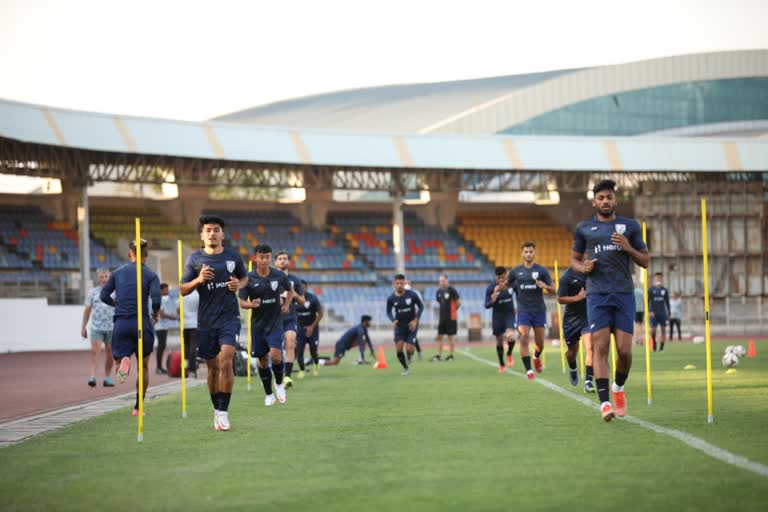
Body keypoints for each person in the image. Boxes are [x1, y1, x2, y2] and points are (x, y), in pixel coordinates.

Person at [572, 179, 649, 422]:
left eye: (609, 197)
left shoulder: (630, 226)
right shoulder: (584, 228)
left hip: (624, 294)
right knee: (600, 347)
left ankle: (617, 388)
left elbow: (645, 261)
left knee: (625, 352)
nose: (605, 201)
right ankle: (605, 403)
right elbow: (574, 260)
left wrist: (628, 247)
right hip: (597, 295)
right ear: (594, 202)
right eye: (601, 198)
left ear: (615, 200)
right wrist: (582, 267)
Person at [180, 215, 248, 432]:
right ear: (202, 235)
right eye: (208, 229)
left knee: (227, 360)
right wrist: (198, 280)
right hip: (206, 322)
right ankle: (217, 409)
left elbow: (245, 278)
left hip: (229, 318)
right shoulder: (194, 259)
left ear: (222, 234)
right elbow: (182, 289)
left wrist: (238, 284)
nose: (212, 233)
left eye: (216, 229)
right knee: (212, 368)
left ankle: (224, 412)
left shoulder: (233, 256)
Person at [100, 240, 161, 416]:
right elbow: (156, 300)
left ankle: (122, 364)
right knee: (143, 367)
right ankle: (137, 407)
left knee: (119, 359)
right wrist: (155, 315)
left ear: (129, 254)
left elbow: (104, 295)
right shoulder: (150, 275)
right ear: (146, 255)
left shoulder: (117, 273)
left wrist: (117, 303)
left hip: (122, 322)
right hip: (142, 322)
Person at [238, 244, 294, 407]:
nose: (264, 260)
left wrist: (287, 305)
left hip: (275, 323)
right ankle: (268, 394)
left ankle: (279, 384)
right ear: (255, 258)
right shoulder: (248, 278)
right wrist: (251, 305)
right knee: (262, 361)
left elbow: (290, 291)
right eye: (261, 257)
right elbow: (241, 302)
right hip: (258, 326)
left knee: (276, 356)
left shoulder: (278, 275)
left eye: (267, 257)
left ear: (270, 258)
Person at [508, 242, 555, 380]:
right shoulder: (515, 271)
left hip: (539, 310)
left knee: (540, 342)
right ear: (522, 253)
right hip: (523, 310)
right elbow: (506, 283)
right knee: (523, 336)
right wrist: (498, 289)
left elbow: (554, 290)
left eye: (531, 251)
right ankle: (529, 370)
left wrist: (544, 285)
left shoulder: (542, 271)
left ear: (534, 253)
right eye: (526, 252)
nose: (528, 254)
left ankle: (536, 356)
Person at [557, 266, 594, 391]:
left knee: (591, 347)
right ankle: (573, 368)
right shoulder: (567, 276)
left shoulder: (592, 273)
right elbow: (560, 299)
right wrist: (578, 298)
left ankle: (589, 381)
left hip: (588, 317)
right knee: (572, 352)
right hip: (571, 321)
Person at [274, 251, 305, 388]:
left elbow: (303, 301)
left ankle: (287, 376)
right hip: (274, 318)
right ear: (275, 262)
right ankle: (278, 374)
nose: (283, 261)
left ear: (289, 262)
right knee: (275, 350)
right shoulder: (271, 278)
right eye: (280, 259)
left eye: (285, 259)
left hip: (290, 317)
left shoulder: (295, 280)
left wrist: (292, 293)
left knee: (290, 344)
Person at [81, 267, 115, 387]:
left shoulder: (115, 292)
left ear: (109, 277)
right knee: (95, 351)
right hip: (97, 327)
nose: (104, 279)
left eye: (106, 277)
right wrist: (83, 327)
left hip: (112, 328)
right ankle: (92, 377)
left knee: (110, 353)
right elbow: (87, 310)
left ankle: (107, 378)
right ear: (98, 277)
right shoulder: (93, 292)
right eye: (101, 277)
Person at [387, 274, 424, 375]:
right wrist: (393, 320)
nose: (399, 285)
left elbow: (421, 306)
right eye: (397, 283)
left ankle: (410, 356)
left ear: (404, 283)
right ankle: (406, 368)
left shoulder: (412, 294)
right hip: (399, 326)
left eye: (401, 283)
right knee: (399, 349)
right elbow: (388, 312)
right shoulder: (391, 298)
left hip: (411, 325)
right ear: (394, 284)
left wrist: (416, 320)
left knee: (409, 349)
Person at [485, 266, 516, 373]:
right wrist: (492, 301)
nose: (501, 280)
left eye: (503, 277)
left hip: (509, 314)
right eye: (499, 278)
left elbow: (520, 294)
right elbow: (486, 305)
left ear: (506, 275)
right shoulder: (491, 288)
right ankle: (502, 364)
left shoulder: (511, 285)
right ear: (495, 277)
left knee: (511, 336)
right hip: (497, 316)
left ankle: (509, 354)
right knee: (499, 341)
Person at [295, 279, 323, 377]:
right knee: (299, 351)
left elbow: (320, 313)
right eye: (299, 288)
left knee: (313, 351)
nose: (301, 289)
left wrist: (311, 327)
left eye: (303, 287)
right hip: (300, 329)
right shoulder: (294, 299)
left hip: (313, 328)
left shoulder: (313, 299)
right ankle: (302, 370)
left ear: (306, 287)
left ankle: (316, 364)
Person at [430, 274, 460, 362]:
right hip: (442, 318)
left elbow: (458, 302)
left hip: (451, 318)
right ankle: (439, 355)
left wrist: (453, 310)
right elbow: (440, 303)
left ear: (447, 281)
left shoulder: (452, 290)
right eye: (440, 281)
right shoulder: (438, 292)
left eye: (443, 280)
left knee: (451, 337)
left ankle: (451, 355)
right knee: (440, 336)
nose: (441, 282)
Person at [154, 283, 179, 375]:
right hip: (160, 326)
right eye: (166, 290)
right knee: (161, 346)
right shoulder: (159, 300)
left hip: (164, 326)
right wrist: (171, 317)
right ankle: (158, 367)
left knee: (162, 346)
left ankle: (160, 367)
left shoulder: (168, 300)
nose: (168, 291)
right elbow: (162, 314)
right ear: (161, 290)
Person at [648, 272, 670, 352]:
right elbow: (647, 301)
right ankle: (654, 343)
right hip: (653, 313)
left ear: (662, 278)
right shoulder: (651, 290)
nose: (658, 279)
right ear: (655, 278)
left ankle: (661, 347)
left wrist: (669, 313)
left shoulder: (664, 290)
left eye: (660, 277)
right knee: (653, 330)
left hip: (662, 313)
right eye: (657, 278)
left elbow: (667, 302)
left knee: (663, 329)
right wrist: (649, 311)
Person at [404, 280, 423, 362]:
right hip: (404, 319)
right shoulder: (401, 294)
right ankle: (417, 352)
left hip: (413, 318)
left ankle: (410, 356)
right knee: (409, 337)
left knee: (411, 338)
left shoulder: (415, 294)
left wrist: (416, 318)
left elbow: (420, 305)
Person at [182, 289, 199, 378]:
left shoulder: (182, 294)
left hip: (184, 324)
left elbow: (178, 309)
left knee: (185, 349)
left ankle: (185, 369)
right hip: (194, 324)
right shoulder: (197, 294)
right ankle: (192, 369)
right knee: (193, 348)